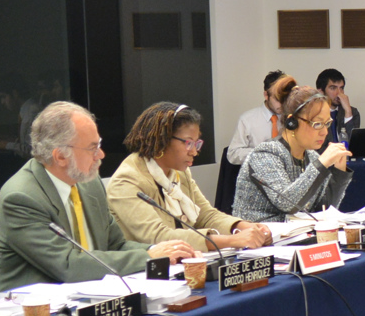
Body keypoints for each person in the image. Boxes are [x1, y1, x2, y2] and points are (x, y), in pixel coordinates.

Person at [0, 102, 195, 295]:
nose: (101, 155)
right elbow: (68, 265)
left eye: (99, 145)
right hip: (29, 315)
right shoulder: (22, 197)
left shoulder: (89, 183)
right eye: (92, 148)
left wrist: (161, 251)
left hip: (90, 296)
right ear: (60, 156)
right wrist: (148, 257)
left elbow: (116, 245)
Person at [107, 102, 272, 250]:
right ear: (162, 139)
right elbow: (158, 236)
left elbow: (205, 215)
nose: (194, 151)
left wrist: (245, 227)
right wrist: (231, 240)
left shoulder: (180, 172)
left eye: (197, 143)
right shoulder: (127, 181)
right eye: (188, 143)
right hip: (145, 274)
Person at [233, 78, 353, 222]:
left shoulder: (312, 157)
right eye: (317, 124)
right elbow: (287, 204)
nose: (324, 132)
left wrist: (339, 173)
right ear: (292, 122)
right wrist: (320, 164)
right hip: (260, 240)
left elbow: (322, 210)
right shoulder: (265, 154)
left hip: (295, 238)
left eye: (327, 123)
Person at [226, 69, 287, 166]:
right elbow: (232, 154)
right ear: (266, 95)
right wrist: (261, 152)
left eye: (285, 98)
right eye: (277, 99)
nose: (282, 104)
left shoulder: (291, 118)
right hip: (257, 176)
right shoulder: (247, 120)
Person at [316, 68, 360, 145]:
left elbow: (354, 144)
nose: (339, 93)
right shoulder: (314, 114)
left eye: (341, 88)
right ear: (321, 92)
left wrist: (348, 113)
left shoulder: (352, 112)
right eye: (333, 88)